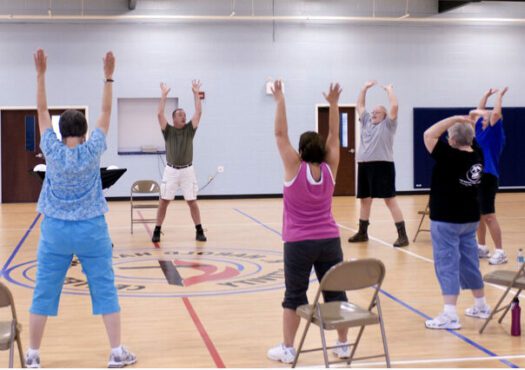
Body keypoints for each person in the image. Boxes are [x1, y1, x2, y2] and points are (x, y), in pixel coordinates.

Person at [27, 49, 136, 368]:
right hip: (91, 230)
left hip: (55, 231)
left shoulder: (50, 148)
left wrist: (41, 75)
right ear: (85, 132)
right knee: (104, 286)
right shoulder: (93, 149)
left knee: (44, 289)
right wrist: (108, 76)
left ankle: (32, 355)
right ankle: (116, 352)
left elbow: (42, 110)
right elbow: (105, 109)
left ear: (60, 133)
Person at [267, 81, 349, 364]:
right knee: (336, 292)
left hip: (299, 242)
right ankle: (343, 345)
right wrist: (335, 104)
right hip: (329, 241)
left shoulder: (294, 167)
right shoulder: (330, 168)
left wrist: (280, 99)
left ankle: (289, 350)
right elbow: (335, 137)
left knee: (295, 296)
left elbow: (280, 134)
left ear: (300, 151)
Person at [423, 114, 491, 330]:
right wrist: (467, 124)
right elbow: (470, 137)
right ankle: (481, 305)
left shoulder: (448, 155)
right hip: (469, 219)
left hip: (447, 219)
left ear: (451, 139)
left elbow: (428, 134)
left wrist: (453, 119)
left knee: (447, 264)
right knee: (470, 261)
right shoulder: (477, 154)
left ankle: (450, 314)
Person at [347, 81, 409, 247]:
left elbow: (394, 105)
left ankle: (402, 235)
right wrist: (363, 88)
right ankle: (362, 232)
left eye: (377, 112)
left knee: (389, 200)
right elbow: (359, 105)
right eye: (373, 111)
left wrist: (389, 90)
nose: (373, 114)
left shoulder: (388, 124)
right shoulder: (366, 121)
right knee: (365, 200)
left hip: (383, 166)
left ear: (384, 115)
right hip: (364, 166)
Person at [151, 81, 206, 243]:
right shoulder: (168, 131)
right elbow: (159, 114)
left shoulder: (190, 130)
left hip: (188, 170)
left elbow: (199, 112)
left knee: (192, 202)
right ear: (174, 119)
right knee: (163, 202)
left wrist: (196, 93)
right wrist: (164, 95)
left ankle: (199, 230)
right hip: (171, 171)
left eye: (184, 114)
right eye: (180, 115)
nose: (184, 116)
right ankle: (157, 229)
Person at [471, 88, 508, 265]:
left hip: (489, 176)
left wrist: (499, 97)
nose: (484, 117)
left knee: (489, 215)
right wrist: (485, 95)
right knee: (479, 214)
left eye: (488, 115)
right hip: (478, 176)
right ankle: (482, 247)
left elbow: (496, 113)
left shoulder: (495, 132)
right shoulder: (479, 129)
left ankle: (500, 252)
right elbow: (479, 112)